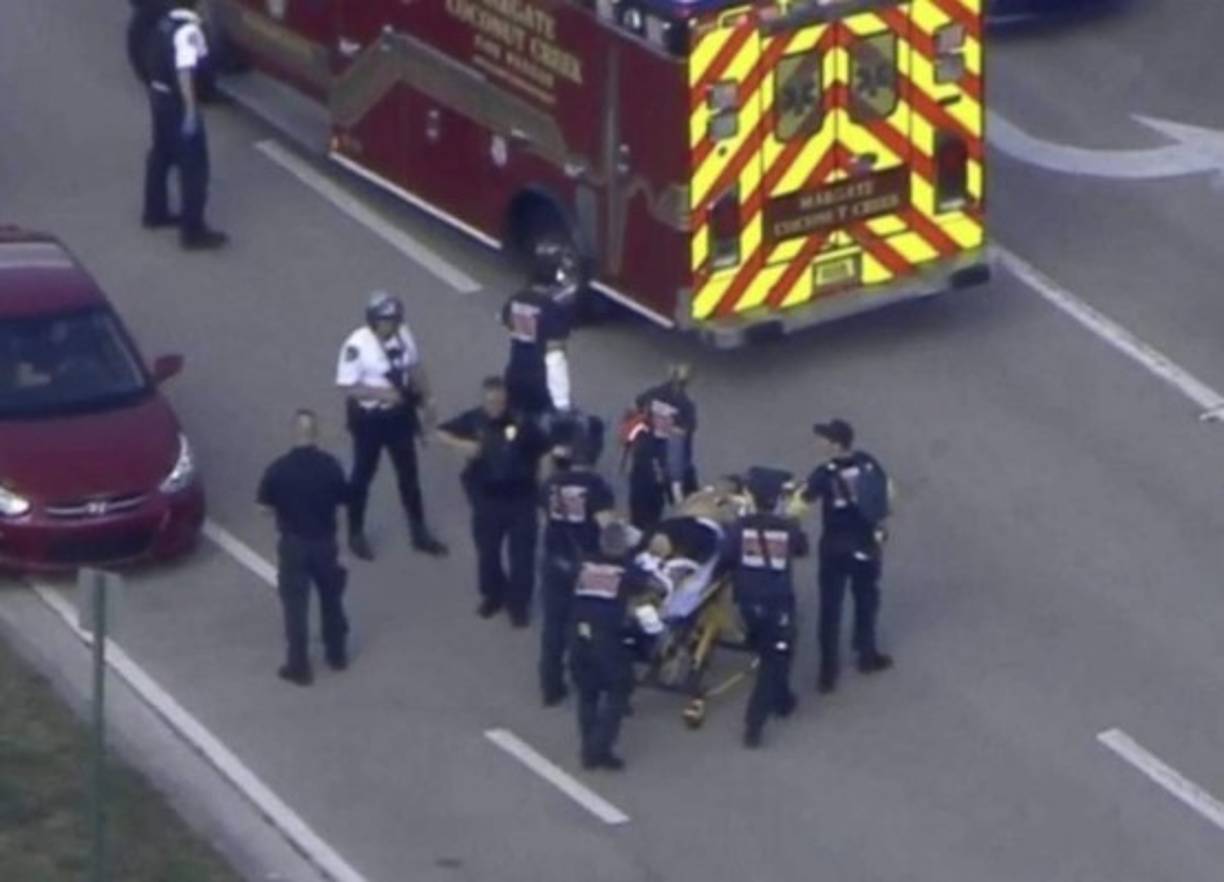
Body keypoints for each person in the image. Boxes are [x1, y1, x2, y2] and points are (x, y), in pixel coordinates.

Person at [336, 291, 447, 561]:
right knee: (363, 475)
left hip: (398, 416)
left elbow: (415, 367)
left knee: (408, 474)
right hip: (370, 419)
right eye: (388, 320)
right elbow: (349, 387)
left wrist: (428, 397)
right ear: (374, 321)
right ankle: (356, 532)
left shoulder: (403, 335)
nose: (393, 324)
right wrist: (383, 395)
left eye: (396, 319)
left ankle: (419, 532)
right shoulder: (357, 346)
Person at [438, 376, 550, 626]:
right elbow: (440, 432)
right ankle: (493, 595)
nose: (495, 407)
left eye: (500, 402)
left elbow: (544, 449)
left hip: (521, 498)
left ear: (506, 400)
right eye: (490, 402)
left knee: (522, 558)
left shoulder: (522, 422)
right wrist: (461, 444)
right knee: (488, 555)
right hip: (487, 499)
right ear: (483, 400)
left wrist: (544, 484)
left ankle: (518, 605)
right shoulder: (473, 420)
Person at [257, 410, 351, 686]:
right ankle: (337, 655)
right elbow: (344, 497)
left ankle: (299, 665)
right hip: (324, 542)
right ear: (315, 433)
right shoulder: (330, 465)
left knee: (295, 607)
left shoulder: (278, 469)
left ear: (294, 433)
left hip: (294, 544)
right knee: (332, 600)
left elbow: (262, 507)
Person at [801, 419, 895, 694]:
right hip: (865, 544)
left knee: (830, 609)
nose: (819, 443)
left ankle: (827, 673)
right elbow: (886, 493)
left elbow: (801, 502)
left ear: (835, 444)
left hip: (834, 548)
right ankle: (867, 654)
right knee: (867, 600)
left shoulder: (823, 474)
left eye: (824, 438)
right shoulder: (868, 462)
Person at [726, 467, 809, 748]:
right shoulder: (787, 528)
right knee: (776, 657)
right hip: (777, 602)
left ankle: (783, 699)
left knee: (770, 649)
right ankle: (754, 723)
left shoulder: (740, 526)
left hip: (748, 601)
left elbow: (727, 555)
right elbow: (802, 549)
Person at [538, 417, 615, 706]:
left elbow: (544, 515)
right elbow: (607, 526)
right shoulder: (596, 486)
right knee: (587, 626)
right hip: (586, 564)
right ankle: (587, 679)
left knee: (553, 626)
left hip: (554, 558)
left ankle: (550, 685)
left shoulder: (552, 484)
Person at [140, 0, 227, 249]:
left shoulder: (165, 22)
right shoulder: (188, 30)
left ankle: (154, 213)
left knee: (161, 154)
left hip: (158, 94)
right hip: (178, 103)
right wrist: (190, 109)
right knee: (194, 168)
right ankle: (193, 231)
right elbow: (185, 70)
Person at [569, 520, 650, 771]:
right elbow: (647, 584)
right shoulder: (626, 570)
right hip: (606, 636)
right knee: (620, 688)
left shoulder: (585, 562)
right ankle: (598, 748)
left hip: (577, 631)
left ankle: (587, 746)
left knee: (588, 692)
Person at [501, 242, 572, 419]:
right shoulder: (552, 306)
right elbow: (555, 348)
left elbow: (507, 323)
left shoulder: (516, 299)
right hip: (540, 378)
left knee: (514, 422)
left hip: (515, 372)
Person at [635, 364, 698, 504]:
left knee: (644, 491)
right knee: (680, 492)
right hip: (669, 451)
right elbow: (687, 431)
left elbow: (639, 403)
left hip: (647, 445)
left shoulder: (654, 393)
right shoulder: (686, 405)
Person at [620, 404, 666, 530]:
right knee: (652, 508)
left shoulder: (638, 427)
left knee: (639, 507)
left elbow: (627, 443)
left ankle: (639, 526)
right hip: (650, 474)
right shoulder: (654, 432)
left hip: (640, 472)